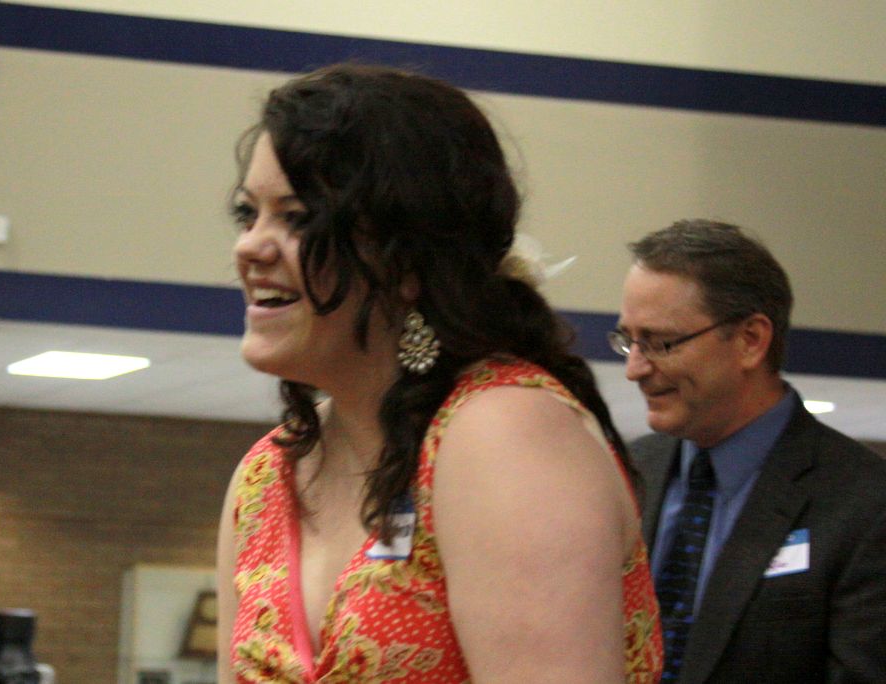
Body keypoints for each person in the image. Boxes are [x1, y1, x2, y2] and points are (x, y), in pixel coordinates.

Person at [216, 63, 662, 683]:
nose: (249, 247)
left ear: (406, 258)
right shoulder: (266, 477)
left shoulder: (503, 434)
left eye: (297, 218)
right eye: (248, 215)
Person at [612, 219, 886, 683]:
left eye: (660, 343)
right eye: (628, 341)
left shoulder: (864, 503)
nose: (635, 369)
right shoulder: (626, 472)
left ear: (751, 340)